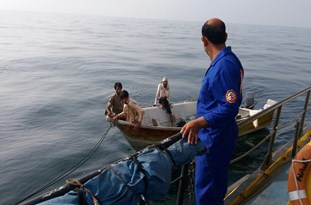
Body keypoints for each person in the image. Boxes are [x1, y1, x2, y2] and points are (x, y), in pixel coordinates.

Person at [181, 18, 244, 205]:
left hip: (214, 139)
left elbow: (230, 106)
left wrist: (199, 122)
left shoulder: (224, 66)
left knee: (207, 194)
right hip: (216, 136)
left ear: (204, 40)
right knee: (213, 190)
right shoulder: (225, 61)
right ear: (225, 36)